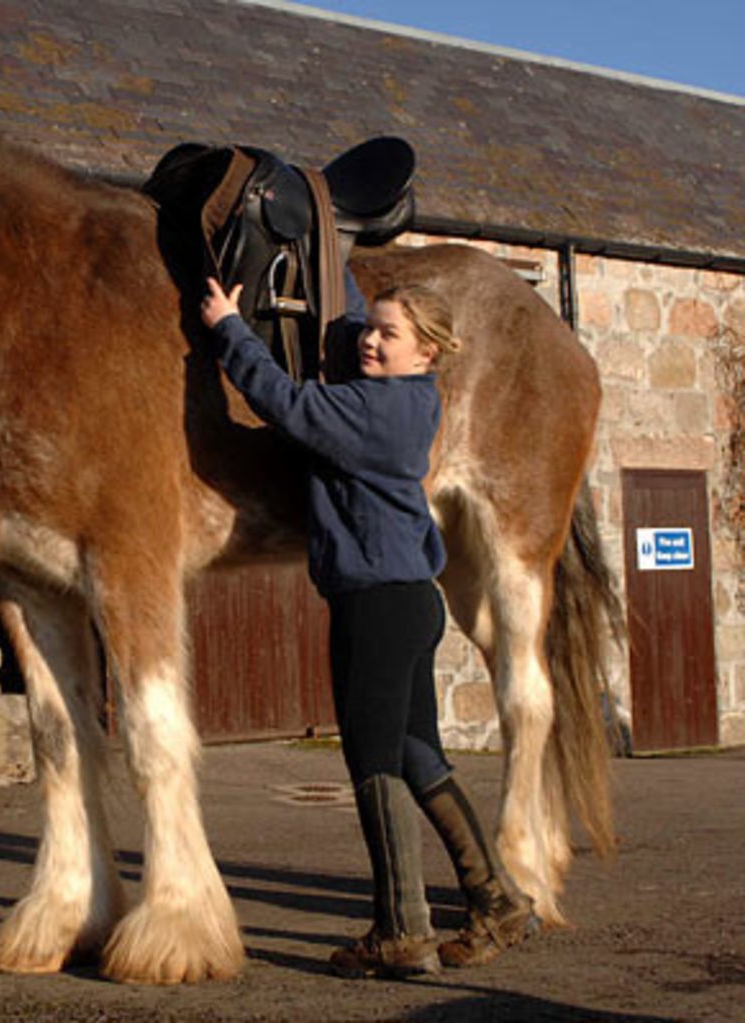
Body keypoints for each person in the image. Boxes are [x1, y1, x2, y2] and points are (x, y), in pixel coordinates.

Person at [200, 277, 539, 979]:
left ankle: (401, 929)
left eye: (388, 333)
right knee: (419, 756)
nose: (370, 339)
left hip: (377, 605)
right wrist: (339, 274)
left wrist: (229, 326)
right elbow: (352, 322)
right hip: (408, 598)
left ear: (427, 353)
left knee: (373, 760)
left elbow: (286, 403)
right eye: (370, 327)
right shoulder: (411, 401)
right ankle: (496, 900)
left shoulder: (370, 411)